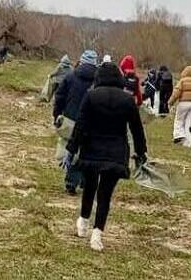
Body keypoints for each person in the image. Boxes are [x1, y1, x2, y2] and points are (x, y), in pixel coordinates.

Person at [63, 62, 147, 252]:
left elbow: (80, 125)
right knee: (105, 194)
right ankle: (97, 234)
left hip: (91, 148)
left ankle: (83, 222)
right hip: (116, 152)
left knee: (90, 186)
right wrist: (141, 153)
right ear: (118, 78)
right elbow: (137, 130)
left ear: (99, 77)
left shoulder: (91, 96)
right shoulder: (127, 100)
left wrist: (71, 149)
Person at [53, 50, 98, 195]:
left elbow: (59, 96)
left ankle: (71, 182)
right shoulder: (98, 80)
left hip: (70, 118)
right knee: (87, 150)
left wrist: (57, 114)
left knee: (71, 148)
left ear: (81, 61)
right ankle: (85, 181)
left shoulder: (71, 75)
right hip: (91, 121)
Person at [169, 65, 191, 147]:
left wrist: (170, 102)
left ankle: (179, 135)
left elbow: (176, 92)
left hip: (183, 103)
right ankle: (188, 143)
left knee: (179, 120)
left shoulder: (182, 81)